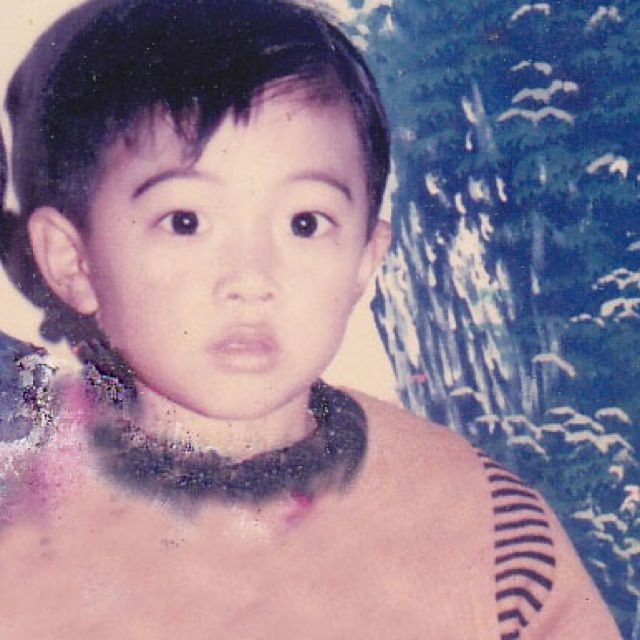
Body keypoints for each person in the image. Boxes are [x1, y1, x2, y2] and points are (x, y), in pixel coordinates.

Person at [0, 0, 621, 637]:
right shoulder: (20, 514)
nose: (251, 279)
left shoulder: (485, 525)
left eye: (305, 223)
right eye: (185, 222)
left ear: (364, 260)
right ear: (73, 261)